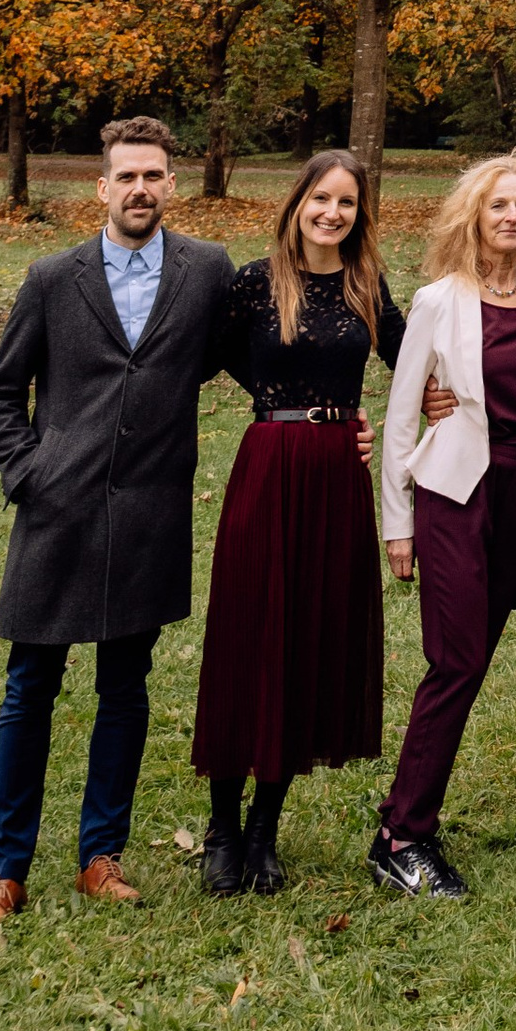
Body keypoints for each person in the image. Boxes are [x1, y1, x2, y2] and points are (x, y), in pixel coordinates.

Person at [0, 117, 235, 937]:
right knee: (29, 691)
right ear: (102, 187)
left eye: (154, 176)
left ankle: (99, 857)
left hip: (149, 519)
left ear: (172, 185)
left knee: (125, 691)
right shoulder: (54, 278)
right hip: (58, 517)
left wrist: (330, 414)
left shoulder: (206, 272)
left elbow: (257, 361)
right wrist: (30, 474)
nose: (141, 190)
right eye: (127, 177)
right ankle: (5, 871)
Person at [191, 149, 402, 894]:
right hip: (270, 463)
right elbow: (206, 358)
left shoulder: (366, 286)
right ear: (298, 202)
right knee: (251, 634)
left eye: (346, 203)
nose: (332, 213)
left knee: (309, 635)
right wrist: (282, 399)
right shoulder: (255, 282)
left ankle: (263, 831)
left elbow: (411, 367)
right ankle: (221, 826)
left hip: (337, 476)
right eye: (321, 199)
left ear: (358, 213)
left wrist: (396, 417)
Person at [371, 155, 516, 896]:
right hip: (454, 495)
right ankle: (401, 835)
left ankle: (407, 815)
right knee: (455, 664)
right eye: (497, 207)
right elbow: (397, 418)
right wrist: (398, 525)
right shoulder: (437, 301)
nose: (510, 216)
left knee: (472, 662)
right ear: (473, 217)